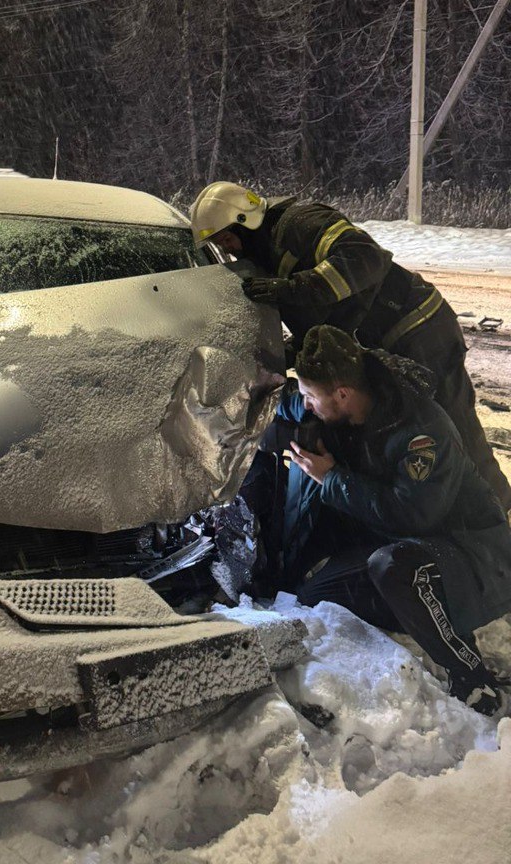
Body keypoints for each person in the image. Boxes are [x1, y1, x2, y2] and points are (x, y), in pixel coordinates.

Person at [189, 181, 511, 512]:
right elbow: (330, 320)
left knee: (451, 422)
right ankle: (446, 511)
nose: (231, 251)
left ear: (246, 221)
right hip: (382, 341)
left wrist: (292, 289)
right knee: (404, 429)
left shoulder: (299, 224)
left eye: (227, 239)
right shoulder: (268, 256)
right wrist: (282, 355)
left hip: (418, 328)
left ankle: (494, 514)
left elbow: (366, 258)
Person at [251, 324, 511, 716]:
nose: (305, 405)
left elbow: (414, 516)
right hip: (395, 541)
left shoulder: (420, 432)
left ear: (342, 393)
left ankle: (473, 677)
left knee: (394, 569)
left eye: (310, 397)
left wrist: (332, 478)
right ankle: (420, 612)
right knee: (312, 597)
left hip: (469, 549)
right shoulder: (343, 404)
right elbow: (291, 402)